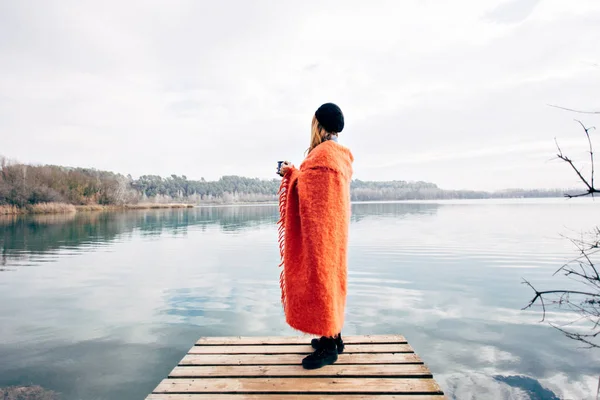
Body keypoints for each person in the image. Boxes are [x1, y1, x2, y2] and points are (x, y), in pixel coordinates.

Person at [277, 103, 354, 370]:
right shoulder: (340, 155)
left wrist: (290, 173)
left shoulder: (322, 155)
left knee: (321, 278)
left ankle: (330, 347)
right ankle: (333, 334)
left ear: (319, 126)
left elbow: (308, 189)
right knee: (332, 277)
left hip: (321, 233)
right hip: (334, 231)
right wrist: (298, 173)